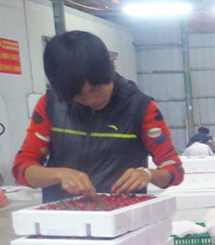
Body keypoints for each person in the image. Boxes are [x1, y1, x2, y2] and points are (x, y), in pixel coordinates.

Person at [12, 31, 184, 202]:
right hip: (61, 213)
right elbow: (22, 168)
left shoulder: (141, 108)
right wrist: (60, 174)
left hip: (122, 213)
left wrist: (148, 174)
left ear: (110, 65)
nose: (91, 100)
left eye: (96, 89)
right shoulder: (50, 105)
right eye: (78, 95)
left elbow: (174, 170)